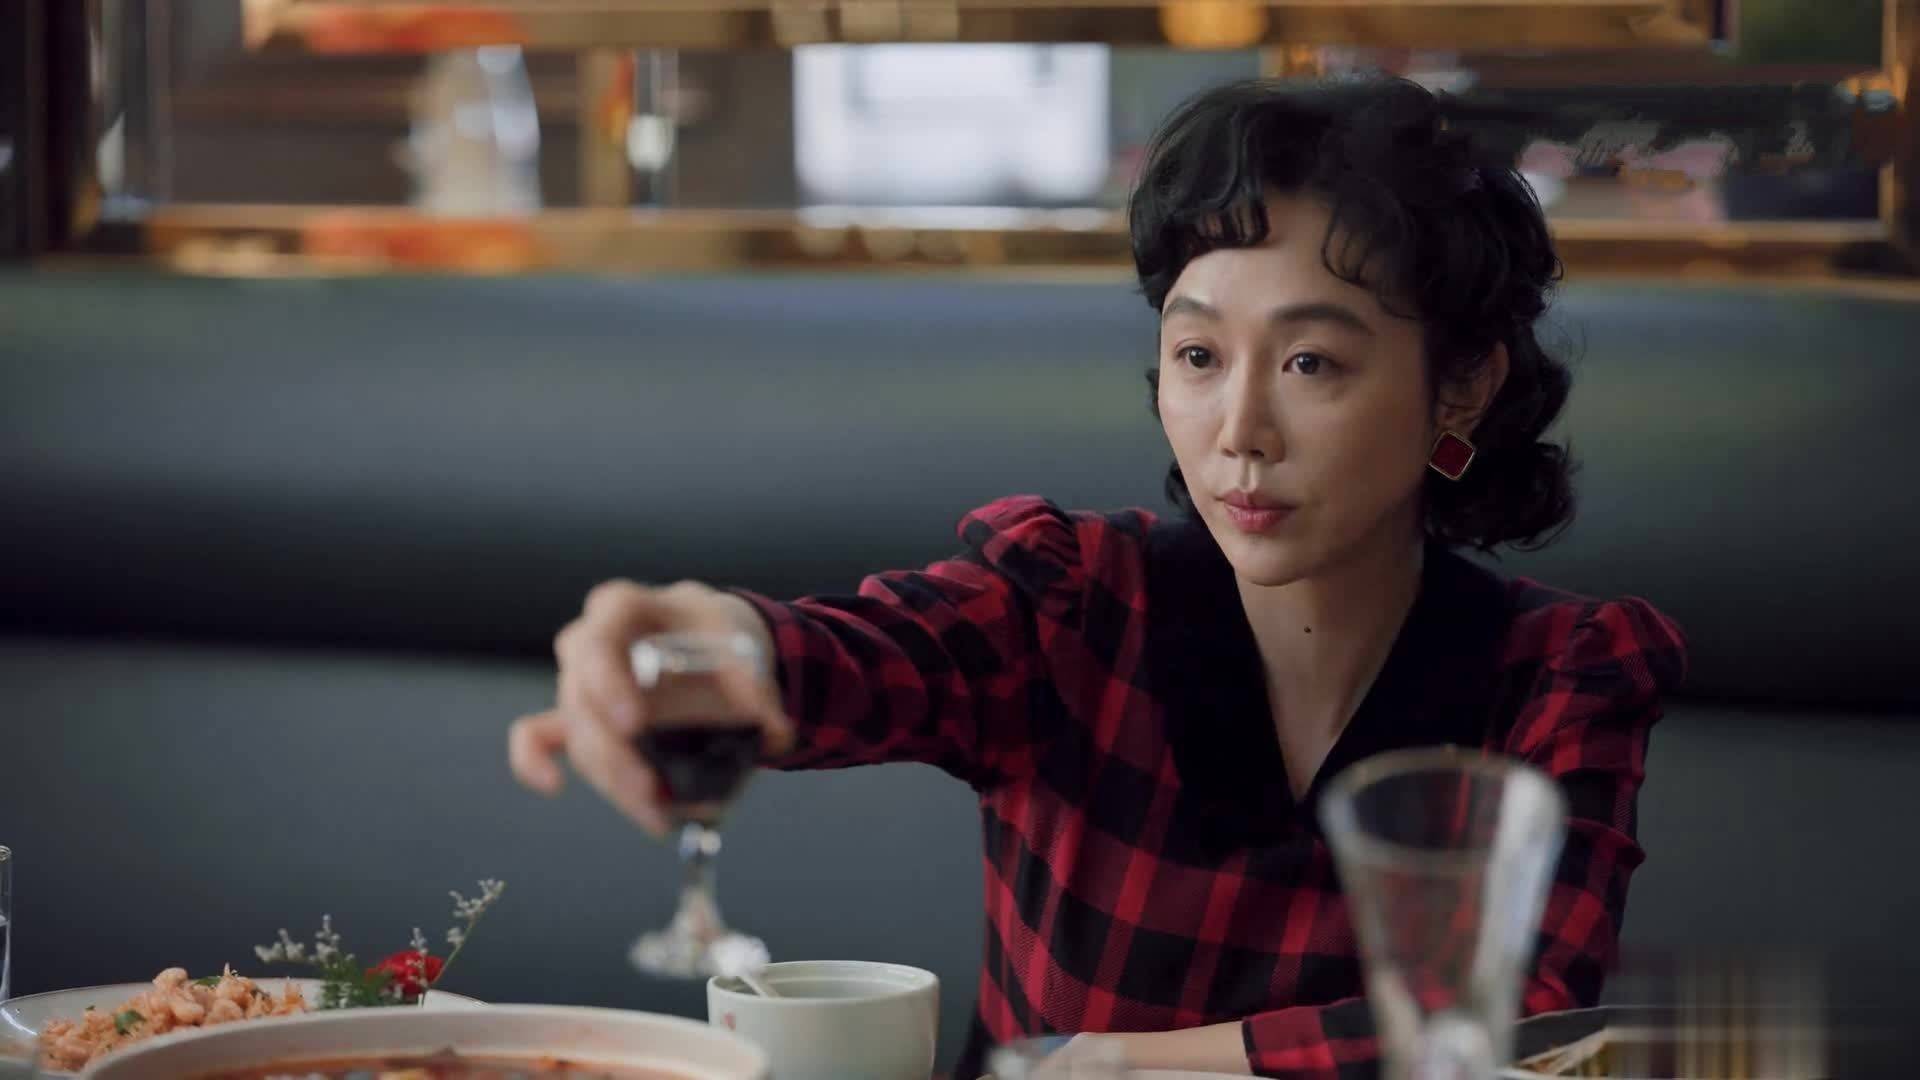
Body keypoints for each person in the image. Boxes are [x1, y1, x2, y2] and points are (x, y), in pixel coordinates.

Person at [508, 77, 1688, 1079]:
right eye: (1198, 354)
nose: (1240, 431)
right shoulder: (1070, 602)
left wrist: (1119, 1064)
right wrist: (707, 641)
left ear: (1462, 385)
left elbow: (1524, 1019)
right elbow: (852, 658)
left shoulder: (1560, 676)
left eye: (1312, 362)